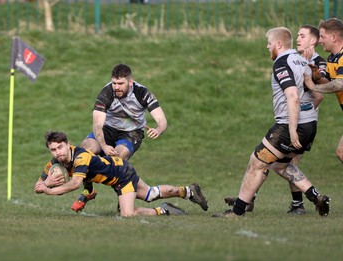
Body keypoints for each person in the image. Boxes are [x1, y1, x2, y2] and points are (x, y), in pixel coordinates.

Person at [213, 27, 330, 218]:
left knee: (256, 163)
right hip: (310, 125)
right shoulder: (303, 61)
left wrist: (293, 129)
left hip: (289, 126)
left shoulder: (282, 62)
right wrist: (307, 119)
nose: (267, 47)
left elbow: (292, 96)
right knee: (280, 165)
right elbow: (317, 95)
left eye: (269, 43)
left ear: (278, 44)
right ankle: (315, 195)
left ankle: (237, 212)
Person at [34, 131, 209, 217]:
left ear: (67, 144)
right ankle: (188, 191)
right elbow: (38, 186)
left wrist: (49, 189)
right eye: (53, 150)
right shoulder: (54, 163)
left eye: (60, 147)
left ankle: (164, 210)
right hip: (120, 171)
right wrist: (46, 183)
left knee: (127, 214)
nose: (58, 152)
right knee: (150, 194)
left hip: (122, 174)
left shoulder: (81, 157)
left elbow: (75, 184)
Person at [72, 64, 168, 212]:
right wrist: (103, 146)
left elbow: (162, 120)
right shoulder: (106, 92)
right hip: (108, 129)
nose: (116, 87)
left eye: (120, 83)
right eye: (114, 83)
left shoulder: (142, 93)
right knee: (85, 149)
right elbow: (97, 126)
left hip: (132, 132)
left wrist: (158, 129)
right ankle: (88, 190)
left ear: (130, 82)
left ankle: (123, 198)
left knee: (118, 158)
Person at [304, 18, 343, 163]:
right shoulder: (332, 58)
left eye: (322, 36)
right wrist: (318, 78)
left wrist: (314, 86)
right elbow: (331, 82)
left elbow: (340, 84)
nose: (320, 40)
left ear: (333, 37)